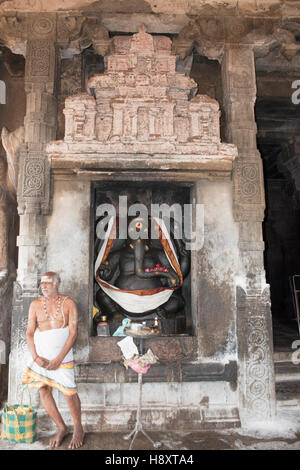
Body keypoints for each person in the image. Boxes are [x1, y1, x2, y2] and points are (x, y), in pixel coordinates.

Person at [22, 271, 84, 449]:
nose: (43, 286)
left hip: (62, 357)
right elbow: (29, 333)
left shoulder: (69, 304)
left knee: (69, 392)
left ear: (57, 284)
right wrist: (35, 357)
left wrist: (59, 359)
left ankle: (78, 427)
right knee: (43, 390)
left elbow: (73, 334)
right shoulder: (34, 305)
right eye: (42, 283)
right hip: (40, 356)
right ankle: (61, 427)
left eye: (47, 283)